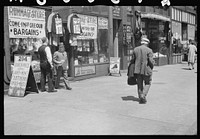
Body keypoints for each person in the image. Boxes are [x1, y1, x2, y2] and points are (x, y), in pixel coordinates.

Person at [131, 37, 154, 104]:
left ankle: (140, 96)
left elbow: (133, 60)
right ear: (147, 43)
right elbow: (151, 61)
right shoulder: (149, 50)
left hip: (137, 70)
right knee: (148, 83)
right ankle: (143, 95)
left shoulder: (135, 49)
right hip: (146, 70)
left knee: (139, 84)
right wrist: (152, 66)